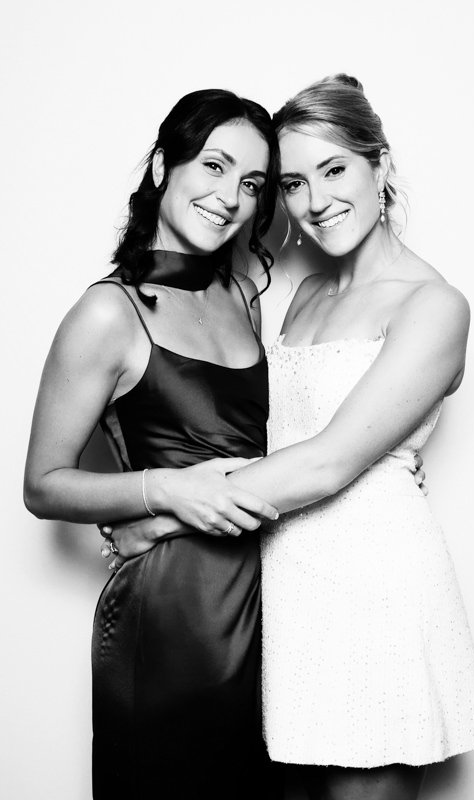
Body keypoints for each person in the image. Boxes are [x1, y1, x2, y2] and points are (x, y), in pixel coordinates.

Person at [113, 75, 474, 799]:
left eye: (335, 169)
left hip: (374, 587)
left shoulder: (435, 304)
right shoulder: (305, 294)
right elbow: (278, 439)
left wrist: (155, 518)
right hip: (284, 588)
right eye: (292, 183)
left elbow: (323, 462)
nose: (316, 201)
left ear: (379, 166)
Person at [23, 89, 284, 800]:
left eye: (253, 184)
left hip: (264, 605)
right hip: (170, 620)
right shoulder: (110, 310)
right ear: (165, 165)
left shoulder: (243, 296)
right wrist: (164, 493)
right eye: (214, 165)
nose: (230, 197)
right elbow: (42, 484)